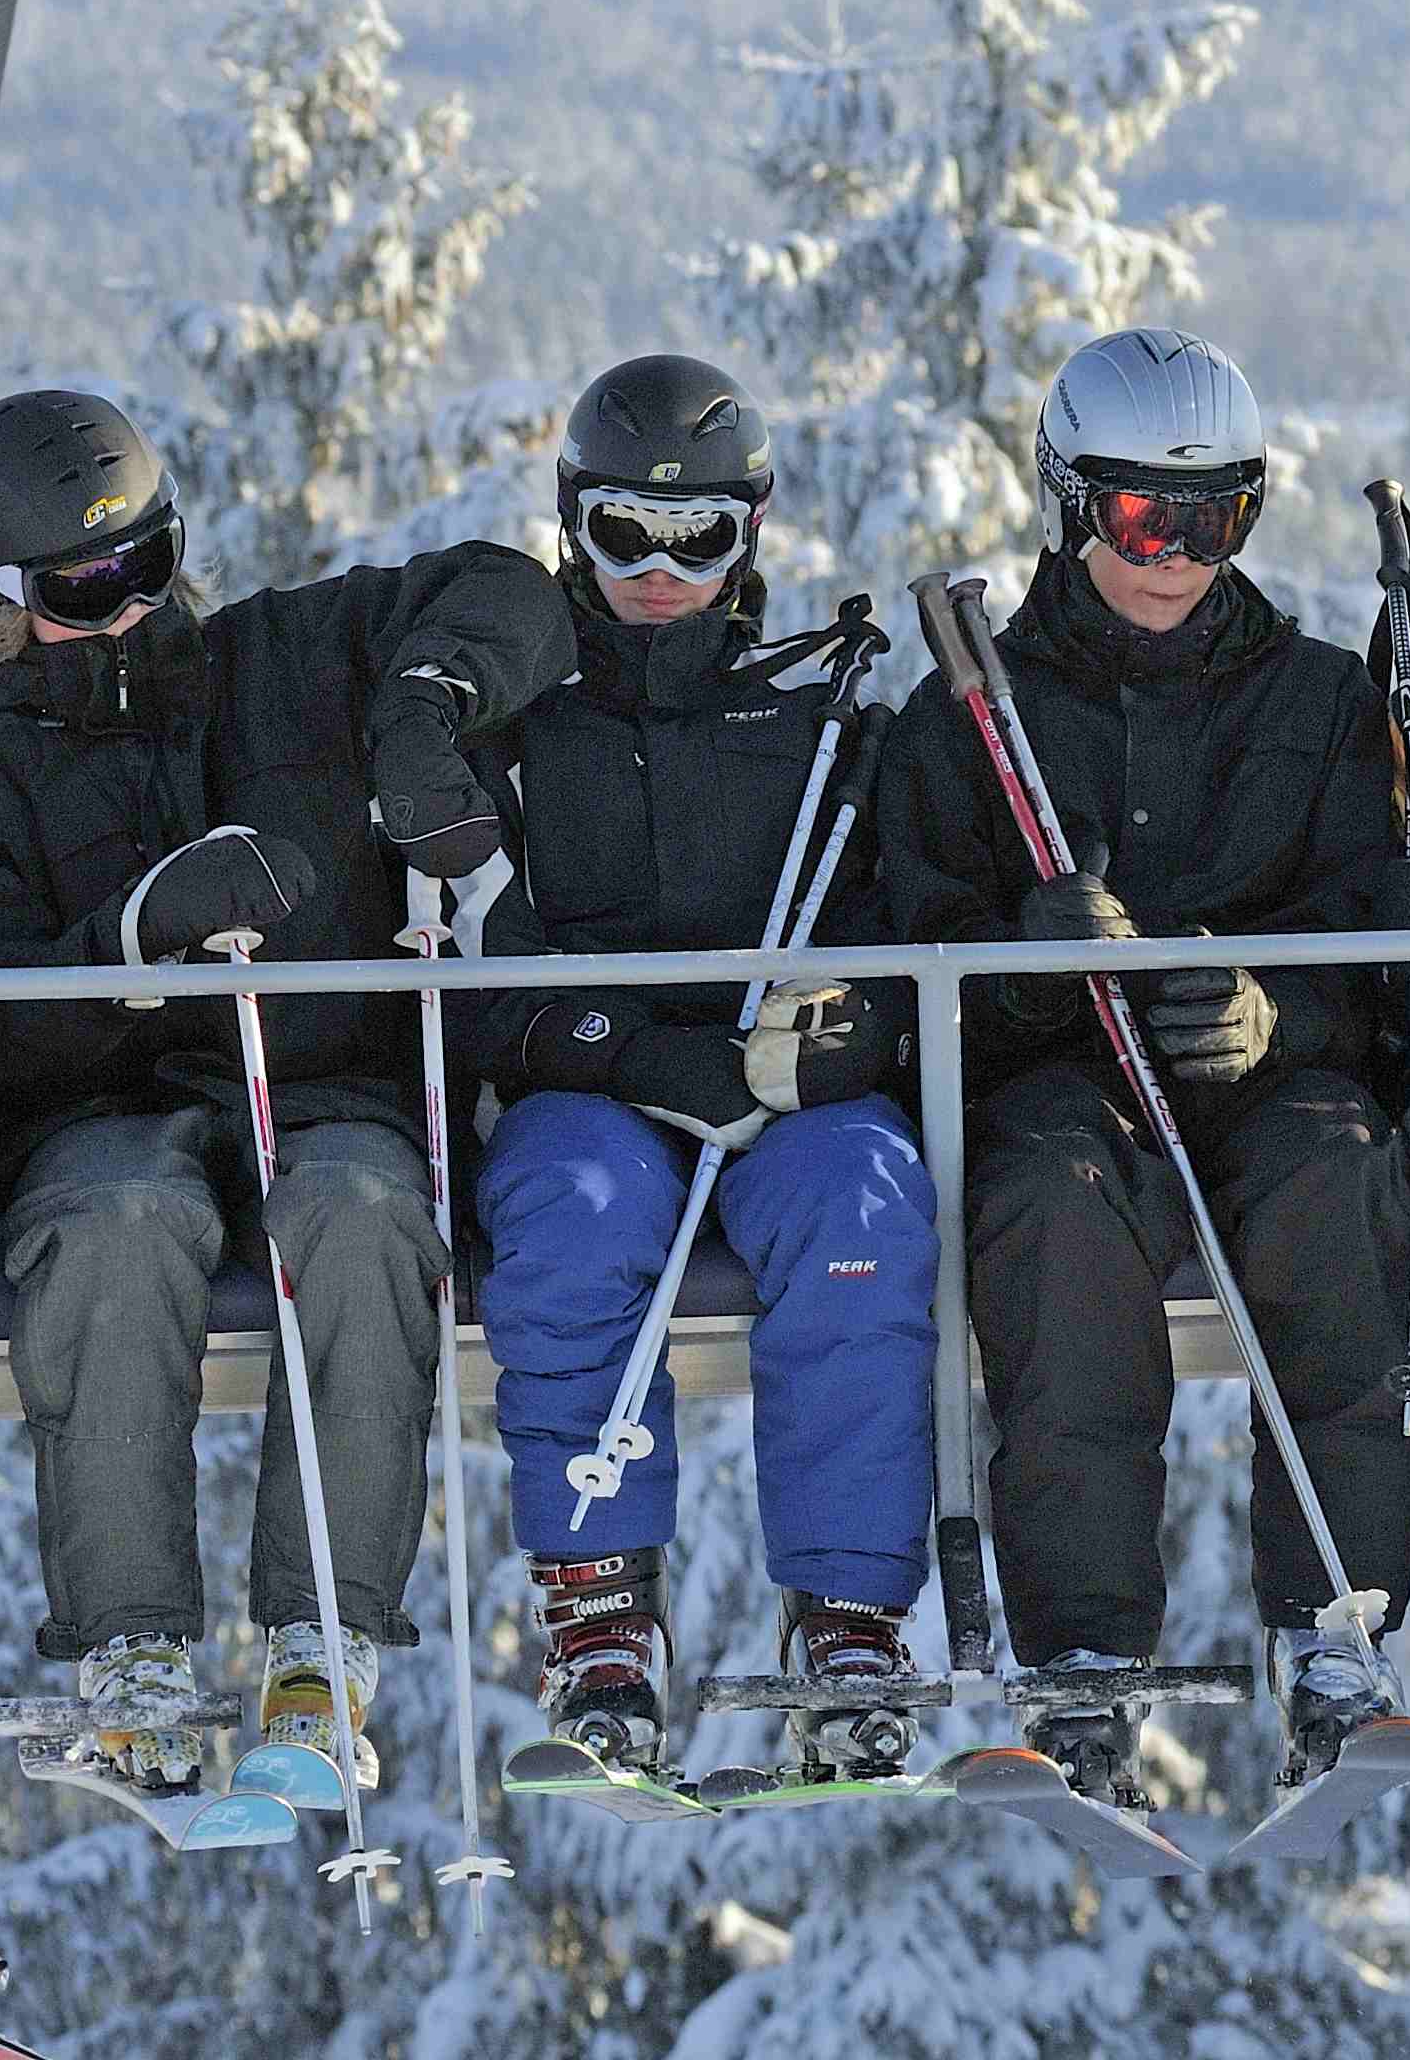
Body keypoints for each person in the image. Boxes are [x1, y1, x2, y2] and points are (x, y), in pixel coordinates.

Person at [0, 388, 569, 1804]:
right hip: (100, 1117)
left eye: (146, 568)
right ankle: (135, 1648)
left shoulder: (294, 663)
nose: (128, 611)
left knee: (367, 1215)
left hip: (326, 1078)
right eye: (79, 591)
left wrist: (420, 712)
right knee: (120, 1227)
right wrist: (131, 941)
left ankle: (321, 1640)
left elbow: (511, 591)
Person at [872, 327, 1410, 1804]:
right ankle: (1082, 1658)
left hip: (1269, 1088)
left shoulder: (1316, 705)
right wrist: (1019, 963)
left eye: (1216, 518)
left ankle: (1336, 1628)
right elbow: (908, 960)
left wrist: (1279, 1013)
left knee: (1339, 1183)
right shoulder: (971, 722)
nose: (1174, 554)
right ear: (1071, 503)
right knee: (1050, 1215)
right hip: (1066, 1083)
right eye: (1139, 517)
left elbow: (1377, 939)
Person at [459, 356, 939, 1783]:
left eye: (698, 538)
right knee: (570, 1215)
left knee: (863, 1202)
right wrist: (637, 1050)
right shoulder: (520, 738)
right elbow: (479, 968)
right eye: (622, 535)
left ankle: (847, 1614)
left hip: (784, 1096)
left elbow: (899, 933)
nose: (658, 573)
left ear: (754, 532)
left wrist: (861, 1030)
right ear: (569, 523)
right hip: (591, 1098)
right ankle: (603, 1615)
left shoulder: (824, 730)